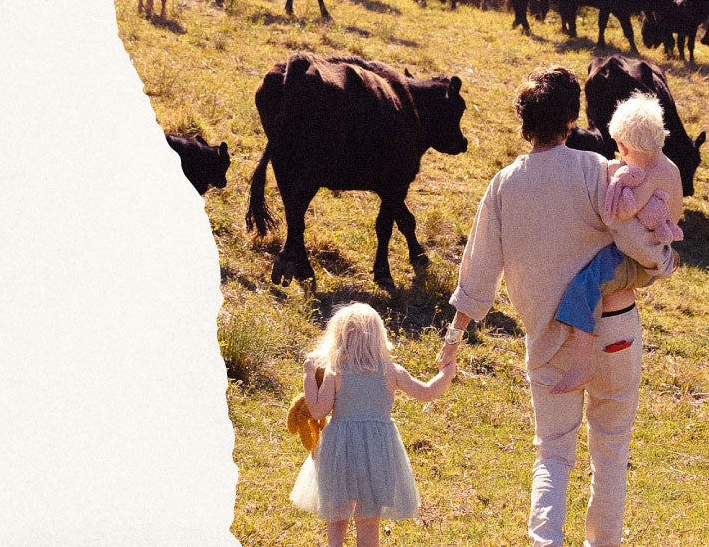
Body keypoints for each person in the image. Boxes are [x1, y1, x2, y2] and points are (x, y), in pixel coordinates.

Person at [437, 66, 677, 547]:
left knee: (553, 453)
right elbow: (635, 241)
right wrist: (663, 260)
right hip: (617, 331)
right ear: (572, 118)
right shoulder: (596, 170)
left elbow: (478, 272)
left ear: (525, 123)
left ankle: (545, 541)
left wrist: (453, 339)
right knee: (610, 450)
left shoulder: (504, 186)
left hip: (548, 341)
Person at [290, 302, 457, 547]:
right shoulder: (391, 371)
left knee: (337, 514)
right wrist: (447, 373)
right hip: (377, 453)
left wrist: (308, 375)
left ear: (339, 339)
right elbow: (427, 393)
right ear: (378, 336)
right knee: (369, 519)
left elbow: (317, 409)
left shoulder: (336, 373)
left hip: (340, 451)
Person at [550, 93, 684, 396]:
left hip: (635, 260)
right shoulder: (670, 168)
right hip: (654, 252)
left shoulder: (647, 176)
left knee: (583, 286)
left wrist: (616, 180)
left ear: (623, 146)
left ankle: (582, 363)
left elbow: (622, 213)